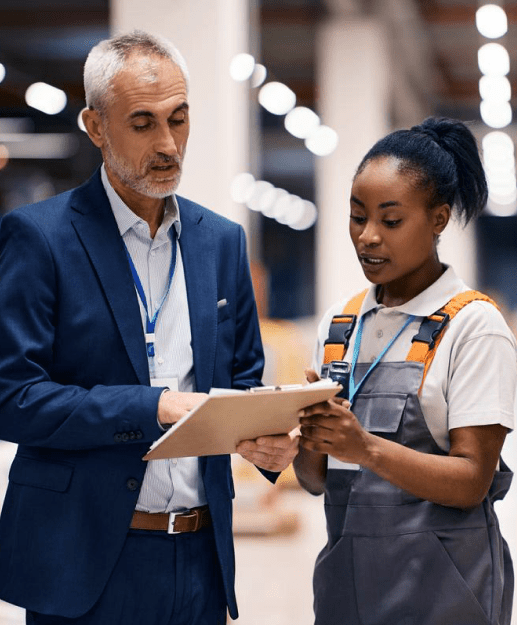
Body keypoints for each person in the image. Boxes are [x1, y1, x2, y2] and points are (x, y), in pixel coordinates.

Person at [0, 31, 298, 625]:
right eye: (143, 123)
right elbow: (13, 399)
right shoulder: (40, 239)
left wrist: (269, 443)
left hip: (200, 558)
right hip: (84, 563)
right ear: (95, 126)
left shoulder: (221, 243)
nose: (168, 145)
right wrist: (155, 407)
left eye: (179, 119)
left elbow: (242, 384)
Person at [294, 116, 515, 625]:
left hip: (447, 594)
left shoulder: (474, 327)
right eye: (357, 216)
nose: (367, 237)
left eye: (390, 221)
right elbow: (314, 482)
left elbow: (471, 481)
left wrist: (364, 446)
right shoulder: (340, 325)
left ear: (438, 219)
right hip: (347, 590)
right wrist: (312, 438)